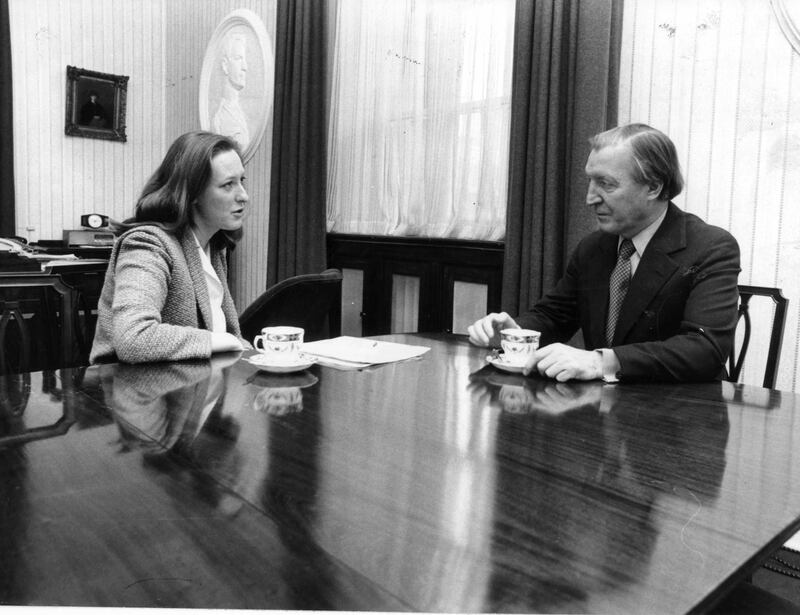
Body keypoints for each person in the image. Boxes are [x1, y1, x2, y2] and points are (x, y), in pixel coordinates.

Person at [468, 123, 741, 383]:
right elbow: (554, 316)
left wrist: (601, 362)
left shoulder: (711, 247)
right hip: (604, 410)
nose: (590, 198)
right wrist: (514, 333)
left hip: (681, 417)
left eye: (606, 184)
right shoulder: (594, 248)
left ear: (654, 186)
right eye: (590, 182)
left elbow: (705, 349)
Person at [90, 130, 250, 364]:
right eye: (228, 185)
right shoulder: (147, 244)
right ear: (193, 193)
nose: (243, 196)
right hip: (134, 393)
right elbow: (134, 338)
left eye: (241, 181)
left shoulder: (214, 245)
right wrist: (224, 340)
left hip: (189, 388)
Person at [212, 32, 250, 150]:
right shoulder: (220, 118)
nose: (245, 67)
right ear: (225, 65)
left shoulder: (240, 110)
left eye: (244, 59)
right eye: (238, 58)